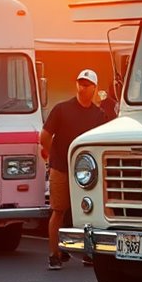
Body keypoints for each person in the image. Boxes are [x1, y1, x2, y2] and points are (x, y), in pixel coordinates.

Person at [39, 69, 106, 270]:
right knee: (58, 210)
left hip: (86, 174)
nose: (82, 88)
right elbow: (44, 136)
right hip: (61, 168)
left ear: (94, 88)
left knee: (88, 212)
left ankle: (88, 253)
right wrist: (54, 157)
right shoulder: (61, 109)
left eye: (87, 85)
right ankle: (54, 255)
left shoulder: (99, 115)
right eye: (80, 83)